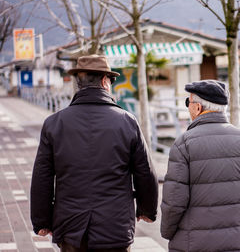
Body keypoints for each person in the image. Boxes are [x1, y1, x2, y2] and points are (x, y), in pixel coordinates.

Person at [30, 55, 158, 251]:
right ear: (105, 82)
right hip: (115, 225)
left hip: (70, 225)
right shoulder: (127, 121)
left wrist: (41, 221)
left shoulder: (54, 123)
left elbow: (42, 176)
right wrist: (147, 209)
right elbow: (145, 171)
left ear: (78, 83)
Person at [161, 79, 240, 252]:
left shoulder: (183, 144)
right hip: (239, 242)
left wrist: (167, 232)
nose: (188, 107)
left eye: (188, 102)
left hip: (194, 243)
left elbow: (174, 201)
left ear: (198, 107)